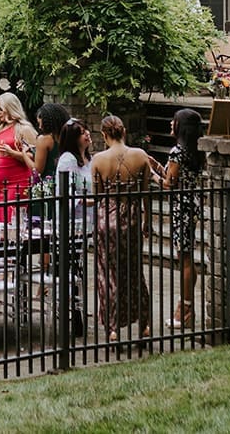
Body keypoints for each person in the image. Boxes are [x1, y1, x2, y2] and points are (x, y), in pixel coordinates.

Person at [90, 115, 153, 343]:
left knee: (109, 274)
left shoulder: (98, 159)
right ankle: (144, 325)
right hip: (133, 217)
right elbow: (146, 194)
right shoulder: (140, 156)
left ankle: (113, 328)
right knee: (134, 271)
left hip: (107, 219)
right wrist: (148, 221)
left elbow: (97, 196)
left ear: (104, 134)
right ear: (124, 131)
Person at [164, 108, 205, 328]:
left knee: (185, 258)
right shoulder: (196, 150)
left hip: (181, 208)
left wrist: (152, 173)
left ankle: (185, 310)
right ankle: (186, 305)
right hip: (193, 204)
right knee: (187, 256)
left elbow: (169, 183)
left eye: (174, 122)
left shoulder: (176, 152)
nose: (171, 125)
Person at [0, 93, 37, 221]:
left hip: (17, 182)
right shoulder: (0, 128)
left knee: (12, 220)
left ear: (10, 108)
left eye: (1, 109)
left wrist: (12, 153)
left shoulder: (23, 129)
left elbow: (33, 156)